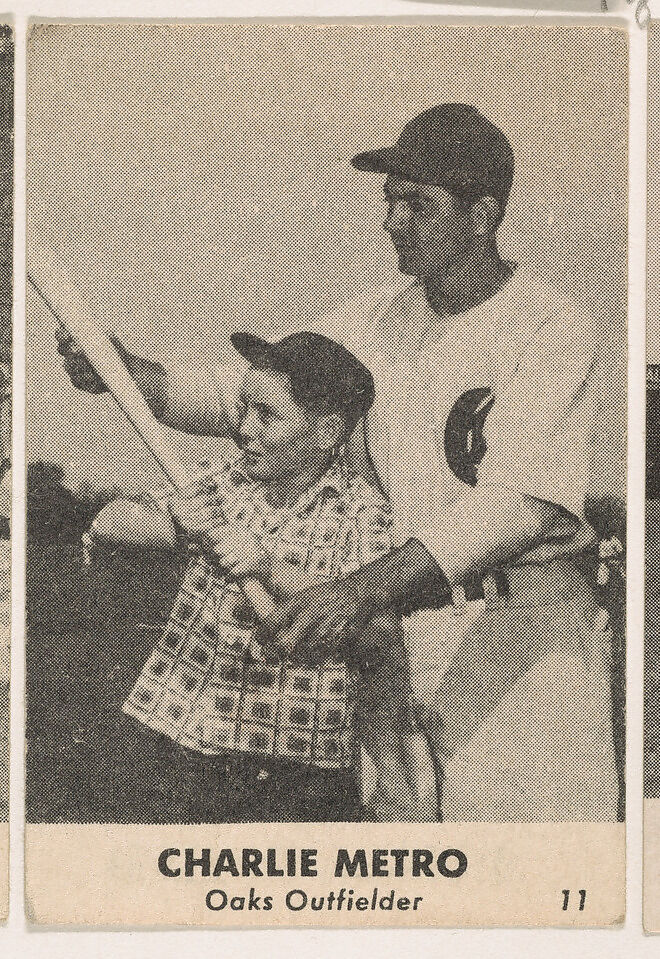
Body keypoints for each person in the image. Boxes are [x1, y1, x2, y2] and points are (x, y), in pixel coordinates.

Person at [58, 102, 620, 820]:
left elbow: (520, 504)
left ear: (483, 215)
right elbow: (248, 391)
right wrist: (127, 371)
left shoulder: (552, 323)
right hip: (393, 644)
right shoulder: (377, 316)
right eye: (389, 202)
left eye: (418, 204)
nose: (392, 221)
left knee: (529, 883)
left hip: (520, 638)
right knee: (404, 880)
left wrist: (357, 589)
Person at [83, 330, 431, 823]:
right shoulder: (227, 480)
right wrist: (182, 528)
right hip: (178, 732)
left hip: (285, 765)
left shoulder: (362, 519)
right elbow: (112, 525)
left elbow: (359, 630)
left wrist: (267, 567)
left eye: (267, 415)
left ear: (328, 432)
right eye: (244, 409)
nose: (246, 427)